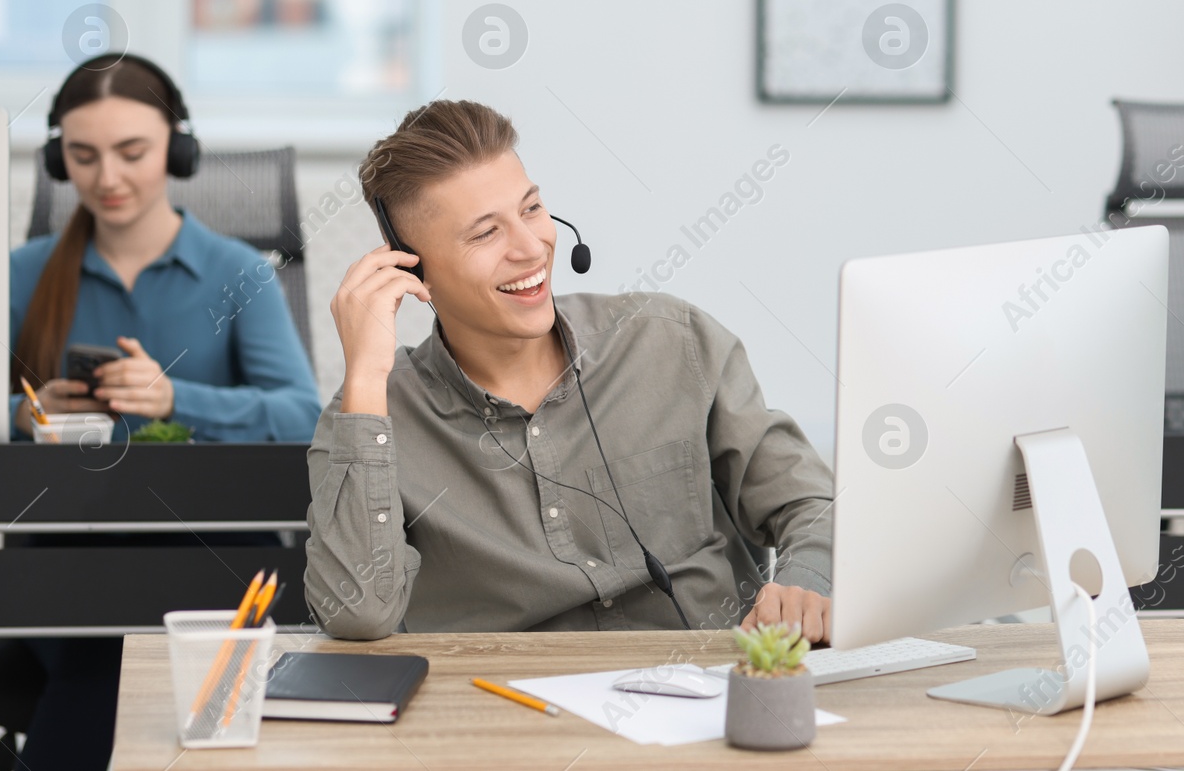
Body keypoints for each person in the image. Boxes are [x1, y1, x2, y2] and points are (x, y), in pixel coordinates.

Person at [305, 99, 833, 641]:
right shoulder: (370, 418)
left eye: (531, 209)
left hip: (712, 691)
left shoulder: (672, 342)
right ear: (412, 270)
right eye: (486, 233)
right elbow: (357, 613)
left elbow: (812, 505)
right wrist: (367, 375)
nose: (532, 247)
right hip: (510, 710)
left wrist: (807, 583)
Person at [0, 54, 322, 771]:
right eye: (82, 156)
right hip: (69, 544)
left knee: (130, 664)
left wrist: (178, 399)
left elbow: (302, 416)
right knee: (99, 659)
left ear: (177, 148)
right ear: (57, 160)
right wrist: (26, 412)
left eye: (131, 152)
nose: (107, 177)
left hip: (214, 542)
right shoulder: (23, 274)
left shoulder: (239, 271)